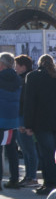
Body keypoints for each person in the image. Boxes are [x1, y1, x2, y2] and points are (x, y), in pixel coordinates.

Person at [22, 54, 56, 195]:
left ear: (40, 64)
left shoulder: (32, 77)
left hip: (41, 122)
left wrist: (28, 125)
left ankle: (50, 183)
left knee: (47, 154)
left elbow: (29, 103)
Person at [0, 53, 25, 189]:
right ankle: (14, 179)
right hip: (12, 118)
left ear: (2, 64)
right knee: (12, 150)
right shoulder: (17, 79)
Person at [14, 55, 39, 188]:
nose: (15, 68)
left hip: (23, 116)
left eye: (17, 65)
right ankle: (28, 175)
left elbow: (26, 101)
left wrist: (26, 122)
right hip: (20, 115)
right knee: (24, 149)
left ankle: (32, 176)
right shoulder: (22, 79)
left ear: (23, 66)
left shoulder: (28, 79)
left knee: (29, 148)